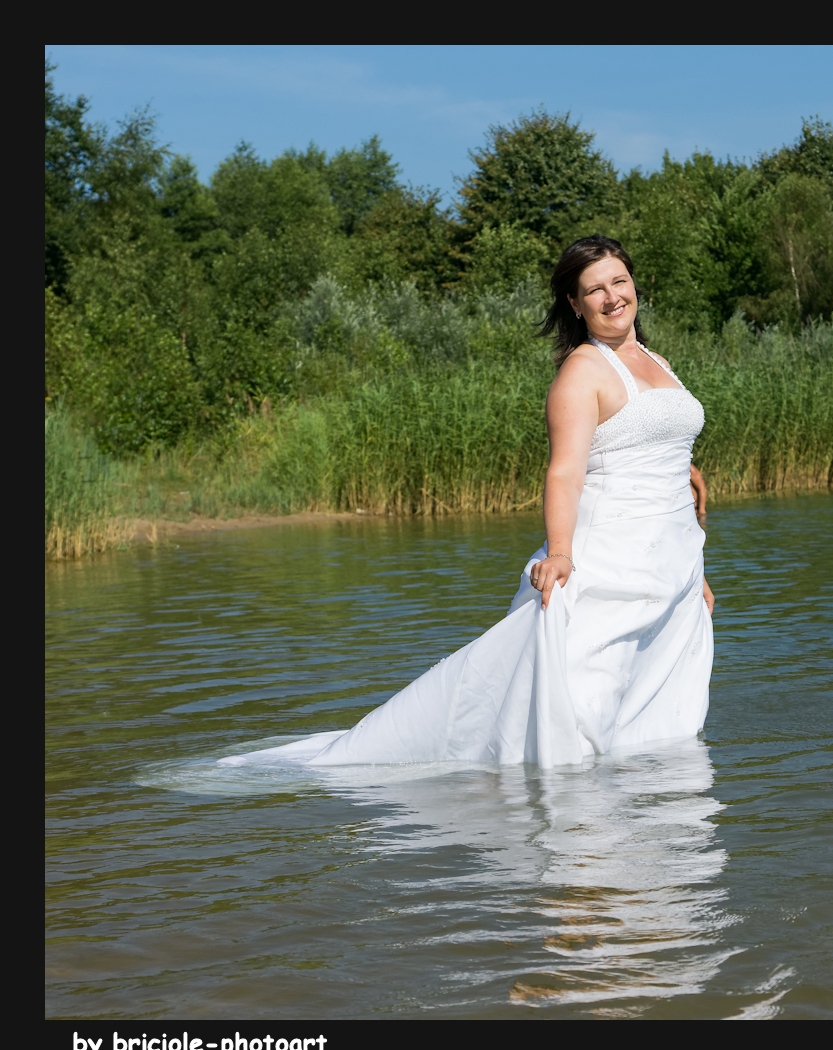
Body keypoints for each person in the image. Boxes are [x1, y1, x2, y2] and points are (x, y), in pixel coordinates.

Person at [222, 236, 714, 770]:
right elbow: (565, 472)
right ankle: (574, 832)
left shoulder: (656, 360)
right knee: (580, 698)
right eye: (594, 289)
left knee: (658, 702)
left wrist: (694, 558)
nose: (612, 296)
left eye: (619, 281)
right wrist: (562, 555)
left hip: (673, 561)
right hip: (608, 558)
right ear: (575, 304)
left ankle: (656, 828)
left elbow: (664, 453)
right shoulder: (582, 372)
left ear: (634, 283)